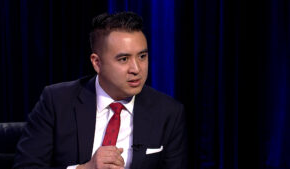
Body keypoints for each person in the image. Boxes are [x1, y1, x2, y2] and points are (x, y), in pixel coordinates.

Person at [13, 11, 188, 169]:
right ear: (97, 63)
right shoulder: (57, 101)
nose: (136, 68)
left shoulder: (168, 112)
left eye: (142, 56)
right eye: (124, 59)